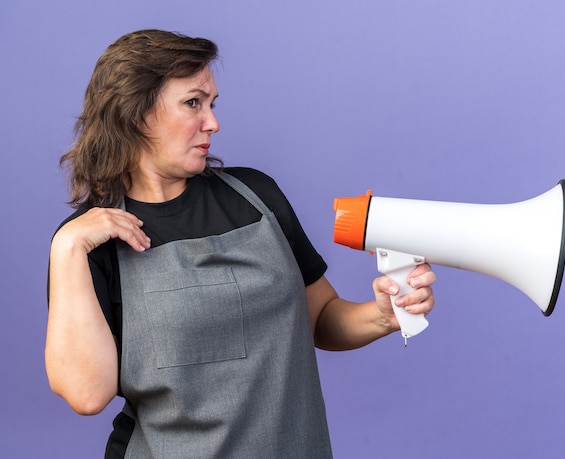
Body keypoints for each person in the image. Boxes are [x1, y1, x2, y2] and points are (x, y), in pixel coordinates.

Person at [45, 29, 436, 458]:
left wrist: (382, 315)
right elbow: (87, 394)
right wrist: (65, 249)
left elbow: (320, 318)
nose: (212, 122)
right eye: (193, 102)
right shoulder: (90, 243)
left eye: (211, 104)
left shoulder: (256, 198)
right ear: (136, 114)